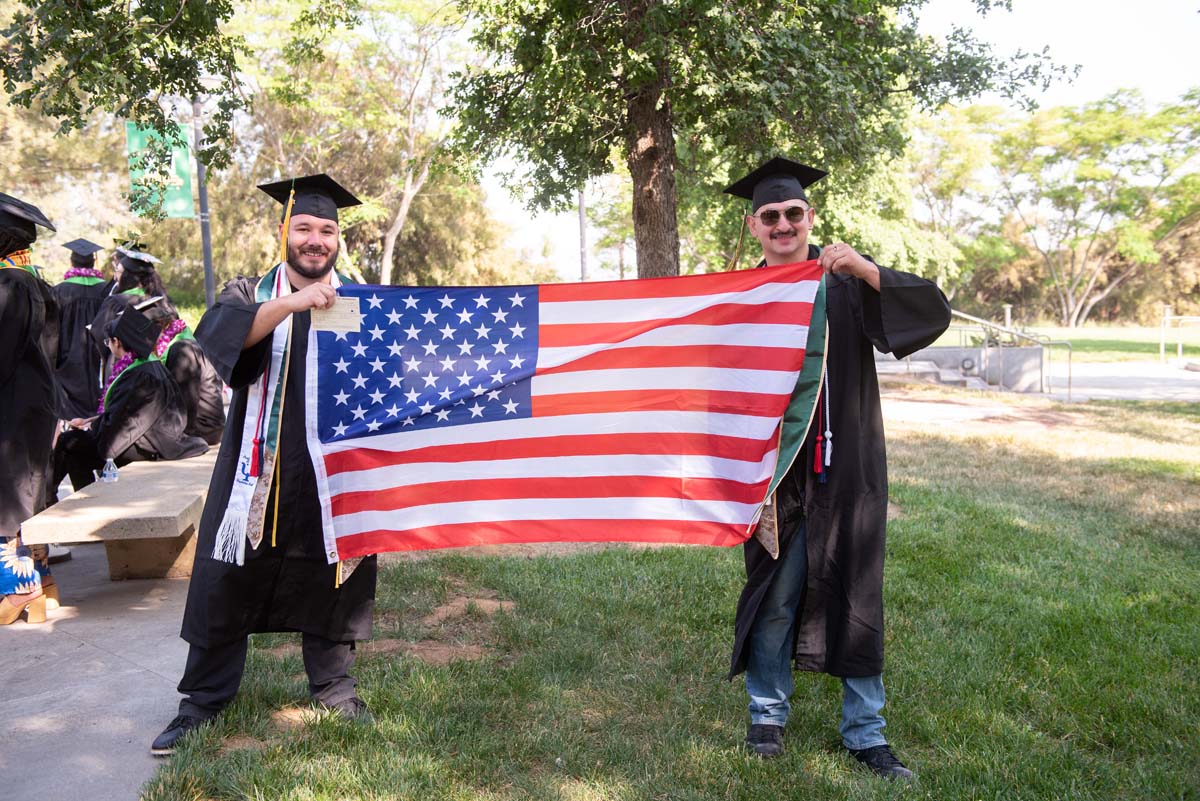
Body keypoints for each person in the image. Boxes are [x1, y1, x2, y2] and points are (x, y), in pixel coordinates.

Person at [723, 158, 951, 778]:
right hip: (777, 472)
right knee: (775, 594)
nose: (783, 224)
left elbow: (931, 314)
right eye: (770, 216)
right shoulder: (744, 298)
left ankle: (865, 731)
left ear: (810, 217)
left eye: (793, 213)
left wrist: (866, 269)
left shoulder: (846, 284)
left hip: (847, 465)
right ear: (754, 226)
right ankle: (767, 714)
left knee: (856, 592)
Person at [151, 174, 378, 757]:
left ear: (337, 239)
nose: (315, 240)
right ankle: (202, 700)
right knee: (226, 578)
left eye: (327, 230)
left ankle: (333, 688)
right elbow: (223, 345)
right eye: (304, 227)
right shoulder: (248, 292)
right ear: (285, 232)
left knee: (334, 573)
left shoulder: (358, 302)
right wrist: (293, 303)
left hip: (330, 467)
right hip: (258, 463)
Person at [51, 306, 208, 492]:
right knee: (78, 440)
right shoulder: (151, 364)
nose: (107, 346)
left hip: (149, 445)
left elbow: (120, 426)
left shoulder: (139, 376)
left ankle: (69, 495)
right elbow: (125, 414)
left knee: (69, 443)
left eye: (107, 341)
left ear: (117, 342)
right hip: (161, 437)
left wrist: (91, 429)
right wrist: (93, 423)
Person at [0, 192, 60, 623]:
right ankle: (43, 582)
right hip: (35, 403)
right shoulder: (36, 283)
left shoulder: (9, 286)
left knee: (7, 499)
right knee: (30, 493)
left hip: (11, 407)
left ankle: (19, 591)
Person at [53, 238, 112, 420]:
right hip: (100, 356)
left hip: (68, 358)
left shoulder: (60, 291)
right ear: (94, 261)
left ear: (72, 262)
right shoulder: (106, 290)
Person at [150, 306, 227, 445]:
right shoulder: (185, 340)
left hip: (203, 429)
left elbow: (186, 400)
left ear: (161, 327)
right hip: (208, 425)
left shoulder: (182, 350)